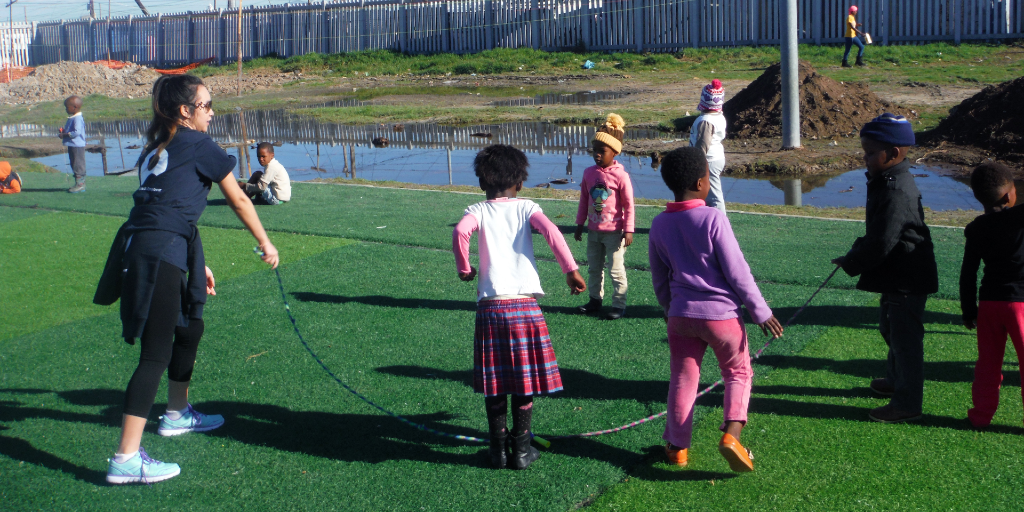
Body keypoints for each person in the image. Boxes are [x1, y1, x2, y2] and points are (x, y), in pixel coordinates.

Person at [94, 74, 280, 484]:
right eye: (207, 105)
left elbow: (170, 208)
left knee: (190, 327)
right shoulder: (199, 145)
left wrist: (195, 263)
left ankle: (177, 413)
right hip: (157, 251)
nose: (212, 112)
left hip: (152, 248)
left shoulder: (152, 151)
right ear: (186, 110)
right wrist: (266, 243)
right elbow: (237, 198)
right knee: (154, 356)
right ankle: (125, 458)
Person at [649, 147, 783, 472]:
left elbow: (659, 278)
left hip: (680, 316)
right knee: (738, 372)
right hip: (721, 317)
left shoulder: (659, 224)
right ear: (700, 182)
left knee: (683, 378)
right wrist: (760, 310)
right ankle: (732, 435)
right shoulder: (713, 218)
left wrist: (669, 308)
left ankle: (678, 447)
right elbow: (737, 272)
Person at [452, 144, 586, 470]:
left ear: (482, 183)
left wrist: (464, 269)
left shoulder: (478, 211)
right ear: (521, 183)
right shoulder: (527, 207)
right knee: (523, 383)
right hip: (524, 308)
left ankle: (497, 451)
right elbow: (552, 232)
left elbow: (460, 231)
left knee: (495, 382)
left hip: (491, 309)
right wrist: (570, 271)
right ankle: (522, 451)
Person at [832, 113, 938, 424]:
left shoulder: (896, 190)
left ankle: (907, 402)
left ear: (892, 154)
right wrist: (856, 251)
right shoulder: (887, 180)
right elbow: (879, 232)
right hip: (895, 275)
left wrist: (853, 261)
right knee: (890, 328)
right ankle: (894, 381)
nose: (864, 158)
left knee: (906, 342)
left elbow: (884, 240)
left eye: (869, 152)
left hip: (907, 277)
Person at [959, 162, 1024, 428]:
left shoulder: (975, 228)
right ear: (1010, 194)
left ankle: (980, 415)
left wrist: (968, 310)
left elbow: (968, 273)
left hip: (988, 304)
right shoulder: (1019, 219)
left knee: (987, 364)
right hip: (1020, 304)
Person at [574, 113, 634, 320]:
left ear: (614, 152)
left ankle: (618, 304)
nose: (597, 155)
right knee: (594, 268)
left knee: (616, 270)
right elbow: (584, 200)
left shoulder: (621, 176)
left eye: (603, 151)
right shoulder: (589, 173)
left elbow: (629, 205)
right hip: (594, 231)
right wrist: (580, 223)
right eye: (595, 150)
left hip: (614, 233)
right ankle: (594, 299)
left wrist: (628, 229)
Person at [689, 80, 727, 213]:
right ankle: (705, 219)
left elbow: (702, 144)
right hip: (714, 158)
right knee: (705, 193)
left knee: (714, 195)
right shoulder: (718, 116)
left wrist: (697, 161)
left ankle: (720, 222)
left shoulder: (706, 121)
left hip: (708, 161)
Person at [59, 95, 87, 193]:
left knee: (78, 164)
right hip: (73, 144)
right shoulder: (73, 117)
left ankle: (80, 184)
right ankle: (78, 183)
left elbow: (77, 132)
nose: (66, 109)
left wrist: (65, 134)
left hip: (77, 145)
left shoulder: (77, 118)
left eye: (67, 107)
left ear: (74, 107)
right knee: (74, 163)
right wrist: (64, 131)